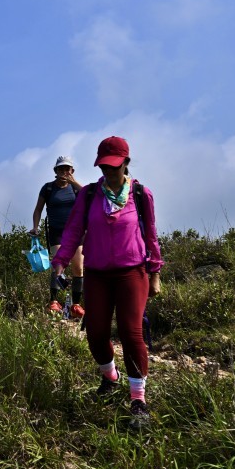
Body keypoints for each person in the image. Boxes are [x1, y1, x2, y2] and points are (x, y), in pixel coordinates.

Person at [51, 137, 163, 430]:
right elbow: (74, 230)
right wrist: (61, 260)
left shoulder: (140, 194)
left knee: (131, 332)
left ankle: (138, 400)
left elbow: (150, 235)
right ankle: (109, 376)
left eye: (113, 167)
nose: (108, 172)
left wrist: (155, 273)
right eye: (103, 166)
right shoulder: (89, 195)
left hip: (132, 272)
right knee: (96, 332)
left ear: (126, 162)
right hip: (97, 273)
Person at [31, 156, 85, 317]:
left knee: (78, 267)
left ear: (72, 171)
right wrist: (35, 227)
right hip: (56, 232)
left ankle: (76, 305)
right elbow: (38, 210)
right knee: (59, 265)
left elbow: (90, 196)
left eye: (67, 169)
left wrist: (74, 182)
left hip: (76, 232)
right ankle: (54, 301)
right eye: (60, 169)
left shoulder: (75, 189)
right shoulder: (47, 188)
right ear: (55, 171)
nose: (64, 172)